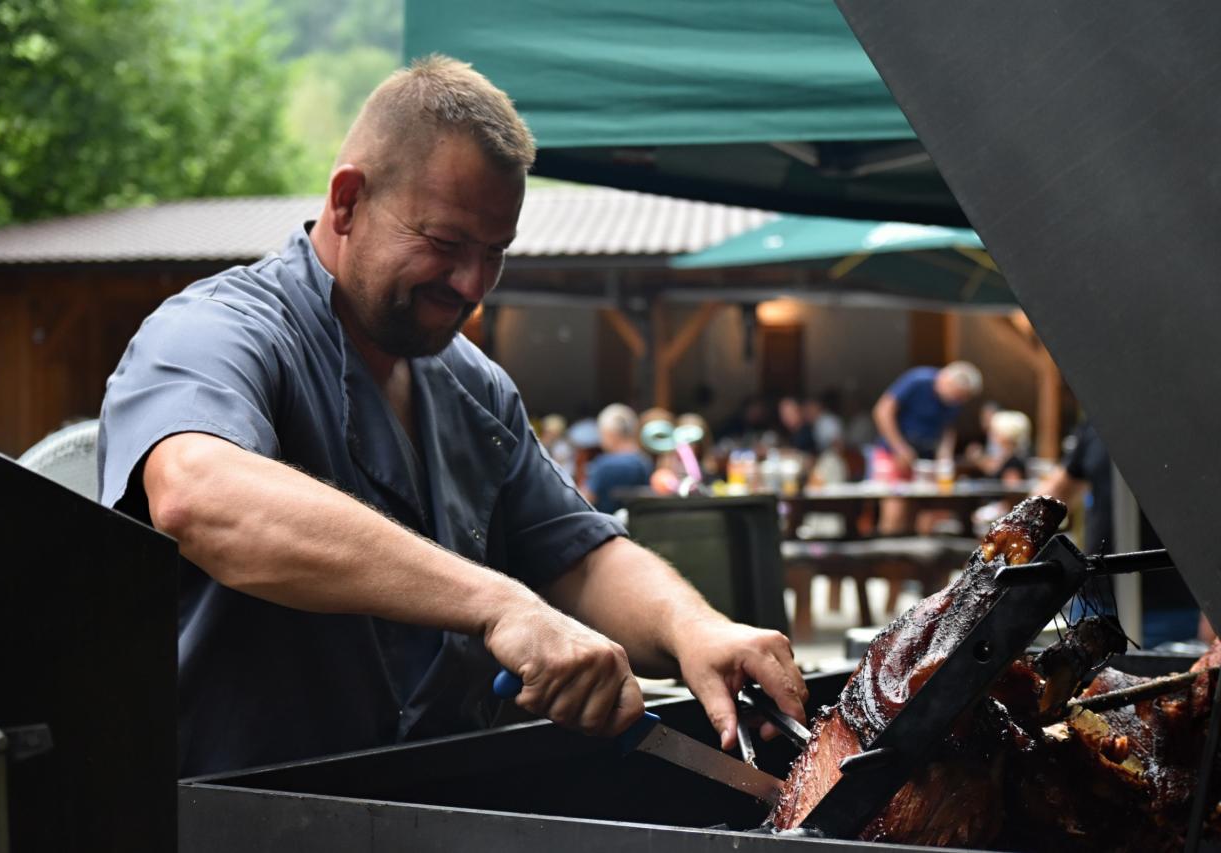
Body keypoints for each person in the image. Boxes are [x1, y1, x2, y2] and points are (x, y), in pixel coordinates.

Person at [97, 57, 807, 776]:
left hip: (433, 805)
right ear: (347, 201)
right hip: (222, 807)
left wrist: (695, 628)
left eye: (494, 253)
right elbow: (197, 493)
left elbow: (579, 556)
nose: (472, 285)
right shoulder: (218, 329)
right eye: (444, 242)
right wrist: (500, 604)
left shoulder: (477, 388)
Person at [1035, 420, 1198, 647]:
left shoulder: (1189, 425)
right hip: (1093, 602)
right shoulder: (1097, 426)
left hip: (1172, 607)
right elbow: (1057, 492)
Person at [872, 361, 982, 533]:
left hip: (923, 461)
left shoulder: (953, 402)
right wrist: (899, 448)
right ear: (948, 381)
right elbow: (883, 411)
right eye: (958, 395)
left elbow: (948, 430)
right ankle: (887, 547)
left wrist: (945, 457)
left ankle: (912, 549)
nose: (958, 401)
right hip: (893, 453)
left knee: (923, 512)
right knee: (895, 511)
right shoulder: (918, 380)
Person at [583, 404, 654, 514]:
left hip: (606, 522)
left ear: (611, 434)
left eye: (602, 434)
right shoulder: (644, 461)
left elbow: (586, 499)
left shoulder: (604, 464)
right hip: (636, 520)